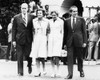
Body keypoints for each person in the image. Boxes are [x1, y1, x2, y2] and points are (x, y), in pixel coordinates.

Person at [12, 3, 35, 76]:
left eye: (25, 8)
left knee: (28, 55)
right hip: (19, 39)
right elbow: (14, 29)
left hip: (29, 39)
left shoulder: (32, 17)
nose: (24, 9)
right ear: (21, 9)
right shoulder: (16, 17)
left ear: (27, 9)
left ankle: (29, 64)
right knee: (19, 56)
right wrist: (13, 40)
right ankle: (20, 71)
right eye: (22, 8)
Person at [64, 6, 87, 79]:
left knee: (80, 57)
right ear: (70, 12)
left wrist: (85, 42)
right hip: (70, 42)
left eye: (76, 11)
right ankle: (70, 74)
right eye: (73, 11)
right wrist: (64, 43)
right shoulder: (66, 21)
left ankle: (81, 70)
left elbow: (84, 32)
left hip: (79, 41)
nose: (75, 13)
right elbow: (66, 33)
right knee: (69, 58)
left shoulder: (81, 20)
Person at [30, 8, 49, 77]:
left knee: (42, 55)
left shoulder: (47, 21)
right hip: (36, 38)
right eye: (38, 13)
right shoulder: (34, 21)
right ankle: (38, 71)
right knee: (36, 55)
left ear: (43, 14)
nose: (39, 14)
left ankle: (44, 69)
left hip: (43, 38)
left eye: (40, 13)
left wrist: (47, 39)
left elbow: (48, 31)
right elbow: (32, 31)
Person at [48, 11, 64, 77]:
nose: (53, 16)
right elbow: (48, 30)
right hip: (51, 39)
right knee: (51, 56)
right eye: (52, 15)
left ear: (57, 15)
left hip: (58, 40)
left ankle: (58, 71)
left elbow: (62, 32)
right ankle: (53, 71)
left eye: (55, 15)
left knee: (57, 56)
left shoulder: (61, 21)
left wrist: (61, 42)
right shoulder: (49, 21)